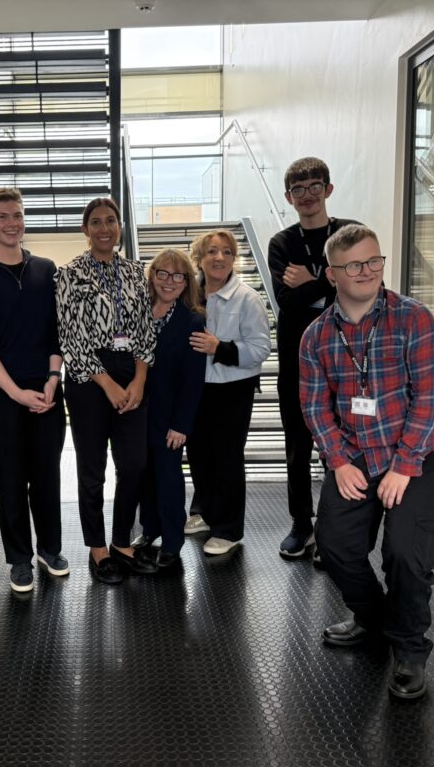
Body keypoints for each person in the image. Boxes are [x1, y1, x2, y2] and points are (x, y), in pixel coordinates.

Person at [300, 224, 434, 700]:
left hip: (424, 452)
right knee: (335, 545)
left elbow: (430, 398)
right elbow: (314, 406)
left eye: (374, 261)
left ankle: (409, 648)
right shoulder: (315, 337)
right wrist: (339, 461)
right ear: (333, 275)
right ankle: (374, 619)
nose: (367, 271)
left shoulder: (415, 320)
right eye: (353, 265)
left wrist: (404, 464)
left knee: (405, 553)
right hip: (356, 455)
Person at [0, 188, 69, 593]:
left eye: (18, 215)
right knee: (11, 480)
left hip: (48, 390)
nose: (12, 223)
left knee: (47, 477)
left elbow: (59, 333)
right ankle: (20, 559)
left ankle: (51, 550)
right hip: (3, 395)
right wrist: (15, 392)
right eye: (3, 216)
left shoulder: (47, 269)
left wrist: (52, 380)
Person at [55, 197, 157, 584]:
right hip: (88, 379)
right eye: (95, 222)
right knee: (92, 468)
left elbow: (147, 330)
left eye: (110, 221)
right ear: (85, 229)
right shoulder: (69, 274)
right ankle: (98, 548)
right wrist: (108, 383)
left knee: (133, 464)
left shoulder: (135, 271)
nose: (104, 228)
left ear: (119, 226)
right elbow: (70, 337)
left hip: (131, 371)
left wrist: (138, 379)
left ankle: (121, 541)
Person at [268, 157, 360, 562]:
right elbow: (287, 303)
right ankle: (301, 525)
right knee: (296, 448)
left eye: (314, 186)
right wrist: (330, 276)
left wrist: (312, 277)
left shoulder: (349, 233)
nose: (307, 195)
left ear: (328, 189)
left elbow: (362, 286)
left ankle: (331, 531)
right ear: (289, 197)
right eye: (299, 190)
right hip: (297, 364)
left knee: (338, 449)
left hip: (345, 362)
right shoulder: (281, 243)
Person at [185, 229, 272, 554]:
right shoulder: (190, 294)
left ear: (234, 259)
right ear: (200, 258)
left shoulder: (247, 298)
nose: (218, 258)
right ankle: (204, 512)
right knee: (198, 455)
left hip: (232, 390)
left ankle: (228, 529)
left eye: (225, 252)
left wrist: (218, 348)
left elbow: (261, 348)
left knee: (227, 459)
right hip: (197, 389)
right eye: (211, 251)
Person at [135, 248, 206, 568]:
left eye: (178, 275)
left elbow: (193, 381)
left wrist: (182, 425)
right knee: (142, 477)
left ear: (186, 282)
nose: (169, 281)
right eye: (162, 273)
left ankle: (172, 542)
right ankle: (149, 530)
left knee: (167, 479)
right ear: (152, 276)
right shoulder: (136, 313)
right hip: (135, 414)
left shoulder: (193, 321)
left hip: (169, 419)